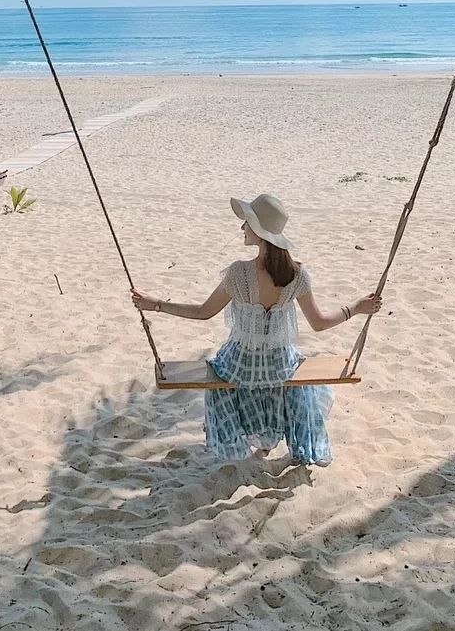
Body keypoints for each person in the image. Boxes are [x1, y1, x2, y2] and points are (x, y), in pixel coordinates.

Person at [132, 193, 382, 465]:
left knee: (219, 371)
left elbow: (203, 313)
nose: (242, 228)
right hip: (279, 366)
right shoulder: (298, 276)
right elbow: (319, 323)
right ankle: (274, 440)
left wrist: (155, 305)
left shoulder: (239, 273)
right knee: (294, 370)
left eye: (247, 223)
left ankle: (247, 440)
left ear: (260, 233)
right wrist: (356, 308)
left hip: (238, 366)